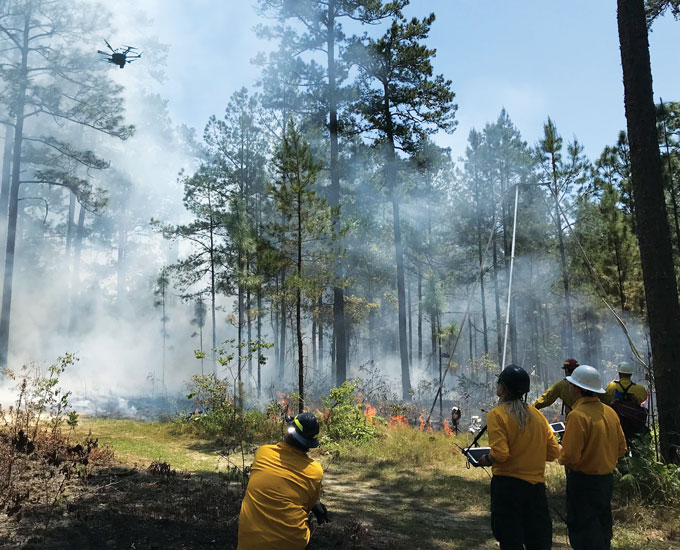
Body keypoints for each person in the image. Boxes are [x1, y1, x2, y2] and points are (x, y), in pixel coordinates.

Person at [478, 365, 560, 550]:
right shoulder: (538, 416)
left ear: (503, 388)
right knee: (537, 540)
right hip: (536, 488)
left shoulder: (496, 415)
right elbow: (554, 452)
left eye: (499, 383)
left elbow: (500, 454)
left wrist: (485, 459)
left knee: (510, 538)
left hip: (507, 488)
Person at [237, 413, 328, 550]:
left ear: (289, 432)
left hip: (249, 545)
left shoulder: (263, 453)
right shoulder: (315, 471)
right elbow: (309, 506)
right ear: (310, 444)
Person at [559, 365, 627, 550]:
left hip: (583, 484)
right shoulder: (610, 413)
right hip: (605, 481)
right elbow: (621, 448)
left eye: (572, 385)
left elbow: (570, 456)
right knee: (602, 530)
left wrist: (559, 452)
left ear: (577, 389)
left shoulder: (577, 416)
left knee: (584, 534)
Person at [605, 361, 649, 453]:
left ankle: (622, 464)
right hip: (634, 424)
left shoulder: (612, 386)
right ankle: (637, 465)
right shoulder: (639, 389)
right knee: (635, 449)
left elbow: (605, 400)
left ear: (619, 373)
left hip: (617, 423)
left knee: (619, 449)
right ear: (630, 374)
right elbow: (644, 399)